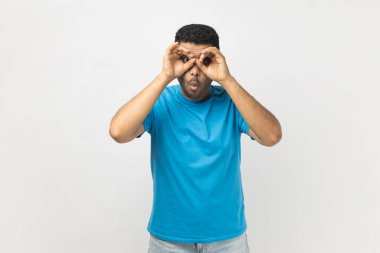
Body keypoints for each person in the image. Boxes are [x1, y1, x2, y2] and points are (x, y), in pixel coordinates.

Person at [109, 24, 282, 253]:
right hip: (169, 239)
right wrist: (165, 75)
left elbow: (271, 136)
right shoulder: (161, 103)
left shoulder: (232, 103)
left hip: (227, 239)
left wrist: (226, 79)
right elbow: (118, 132)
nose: (194, 71)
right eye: (187, 61)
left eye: (204, 61)